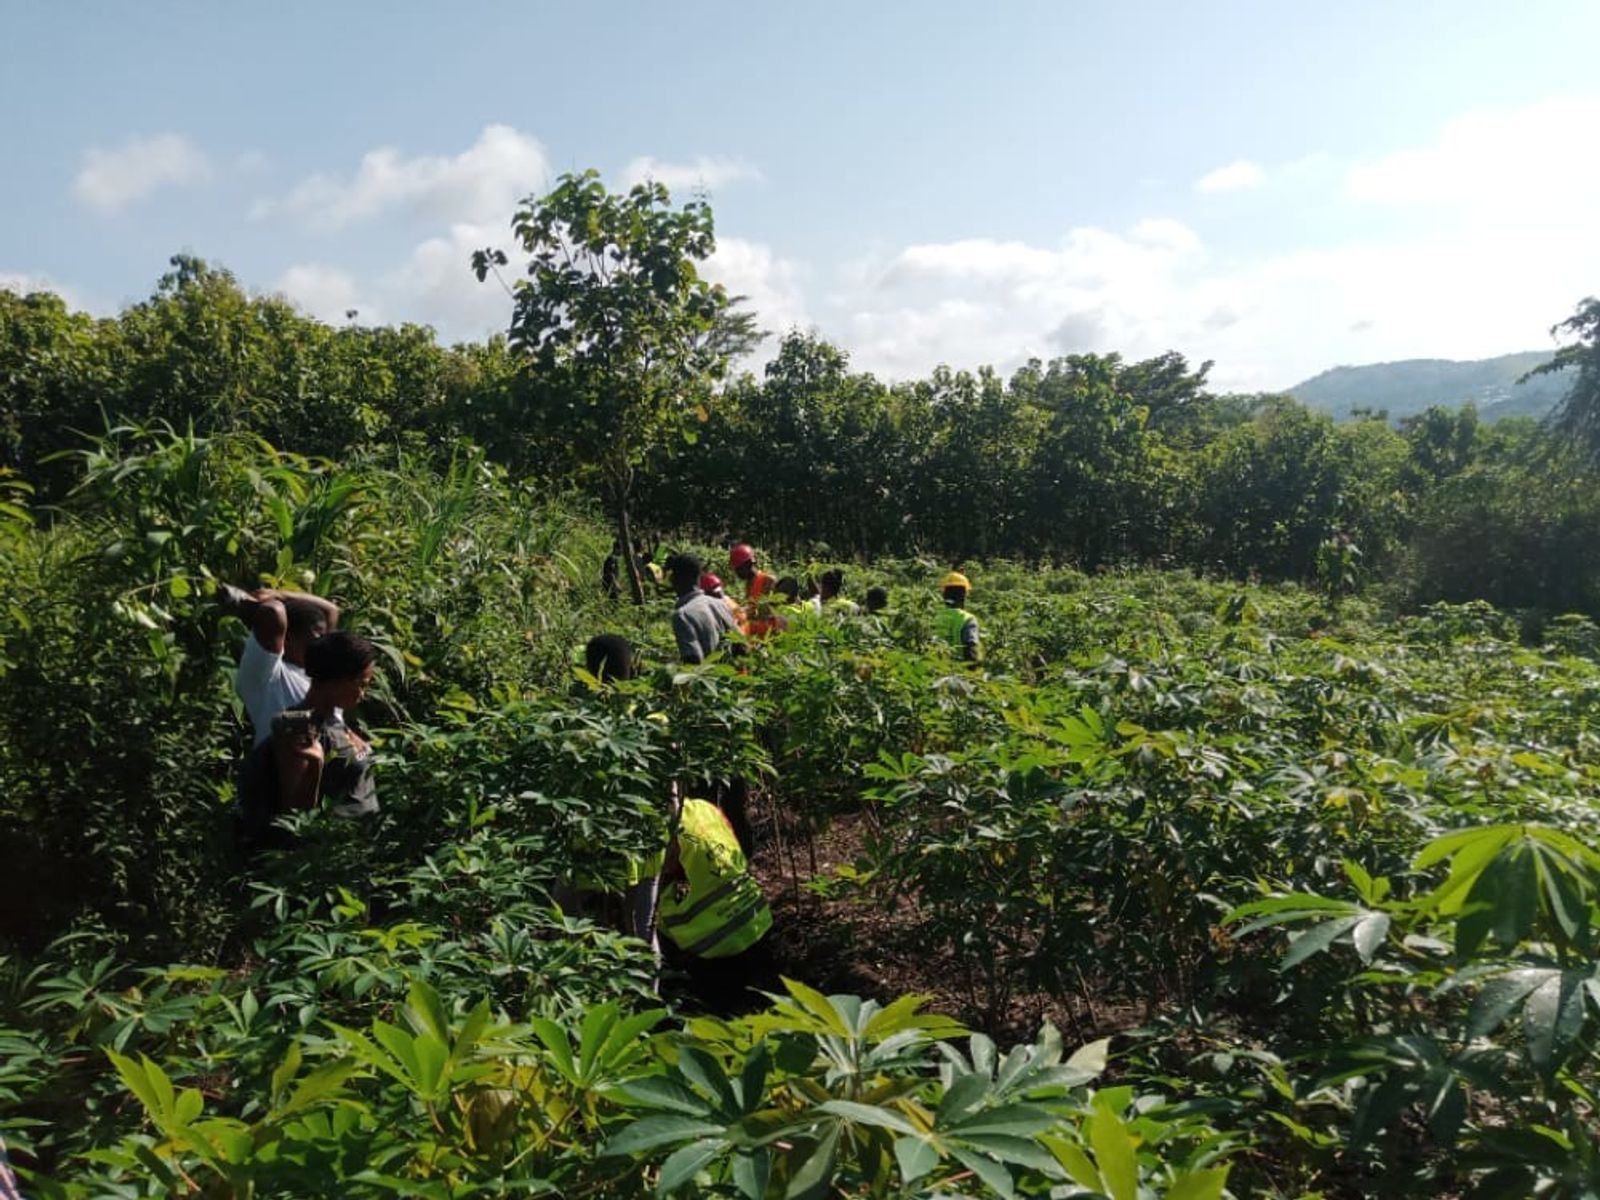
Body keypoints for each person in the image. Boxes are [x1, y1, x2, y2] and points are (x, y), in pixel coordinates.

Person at [234, 631, 380, 858]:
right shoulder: (298, 728)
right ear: (339, 680)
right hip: (323, 860)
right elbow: (296, 815)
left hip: (353, 855)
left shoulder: (334, 720)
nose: (364, 694)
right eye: (362, 684)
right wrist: (316, 764)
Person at [657, 794, 773, 1014]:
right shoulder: (705, 808)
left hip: (711, 942)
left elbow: (656, 880)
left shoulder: (661, 830)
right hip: (756, 916)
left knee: (721, 1013)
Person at [219, 584, 343, 747]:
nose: (323, 644)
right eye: (316, 638)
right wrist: (250, 601)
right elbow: (272, 613)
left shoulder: (318, 672)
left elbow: (331, 610)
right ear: (287, 638)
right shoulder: (268, 674)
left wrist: (280, 594)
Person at [668, 553, 737, 664]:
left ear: (674, 579)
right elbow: (741, 645)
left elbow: (693, 661)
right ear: (699, 577)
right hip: (733, 677)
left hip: (708, 677)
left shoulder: (682, 616)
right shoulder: (720, 604)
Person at [730, 543, 780, 637]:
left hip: (771, 635)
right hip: (757, 636)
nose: (737, 573)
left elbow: (773, 611)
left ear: (749, 564)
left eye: (739, 569)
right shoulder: (749, 584)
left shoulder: (768, 580)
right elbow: (753, 609)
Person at [936, 570, 980, 662]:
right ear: (964, 596)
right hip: (959, 672)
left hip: (933, 671)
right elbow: (971, 652)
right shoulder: (968, 619)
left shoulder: (935, 617)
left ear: (944, 596)